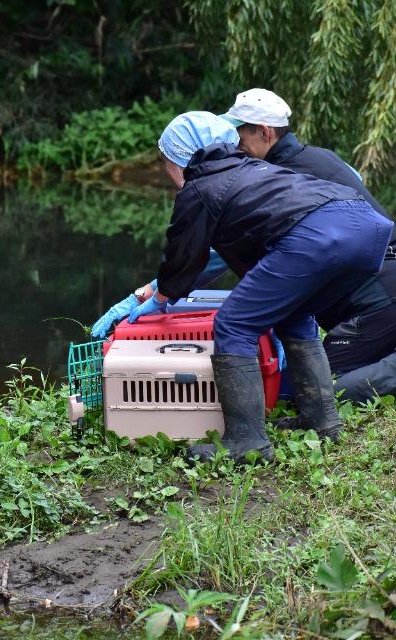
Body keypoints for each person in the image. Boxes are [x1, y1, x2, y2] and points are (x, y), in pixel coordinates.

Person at [92, 89, 396, 406]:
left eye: (237, 135)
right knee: (299, 350)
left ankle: (248, 440)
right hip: (372, 277)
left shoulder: (278, 175)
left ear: (264, 133)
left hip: (378, 294)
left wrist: (160, 291)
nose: (230, 144)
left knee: (297, 390)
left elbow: (216, 254)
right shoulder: (318, 158)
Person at [139, 111, 392, 462]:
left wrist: (162, 295)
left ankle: (246, 442)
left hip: (321, 233)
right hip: (367, 226)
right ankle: (321, 421)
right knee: (296, 315)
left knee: (234, 323)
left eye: (166, 163)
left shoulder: (199, 187)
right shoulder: (256, 170)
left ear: (179, 159)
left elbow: (184, 257)